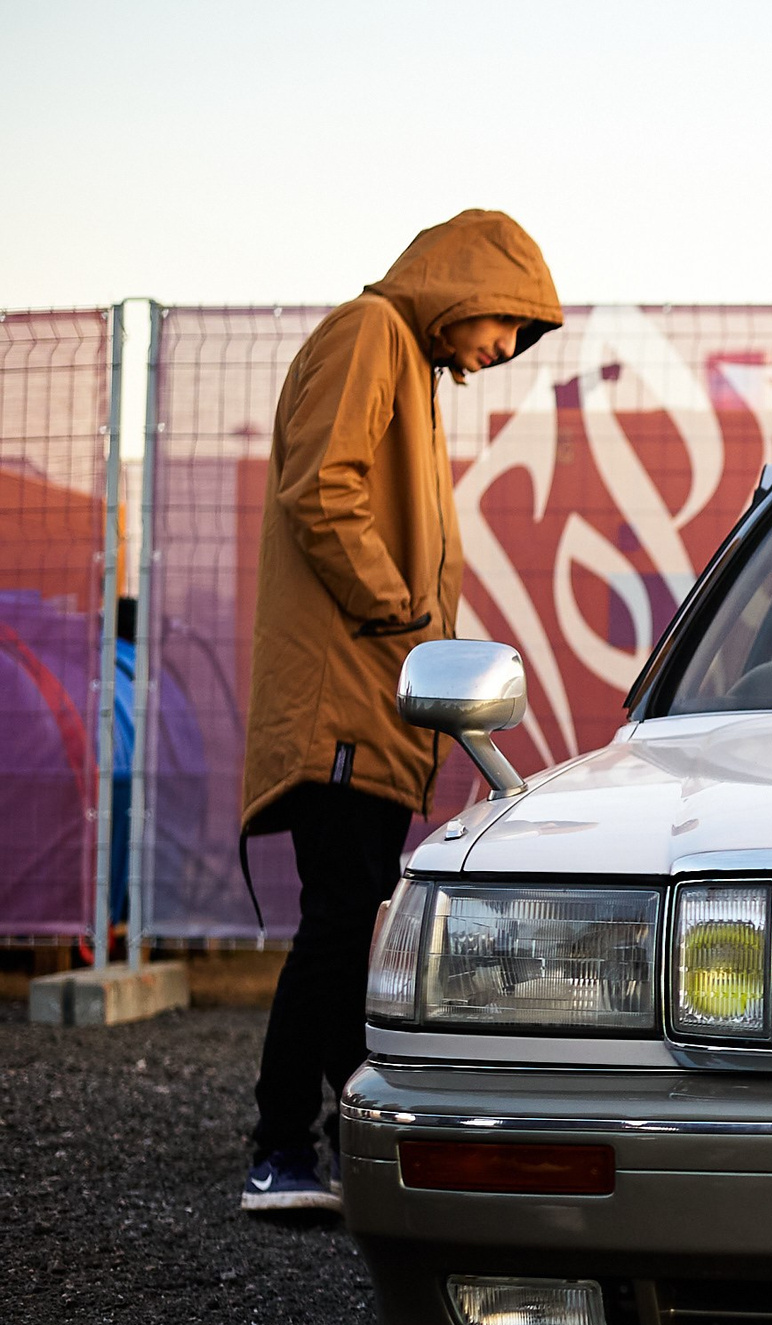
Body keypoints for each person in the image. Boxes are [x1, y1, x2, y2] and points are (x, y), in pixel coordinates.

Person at [238, 211, 561, 1211]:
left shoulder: (402, 359)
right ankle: (280, 1147)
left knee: (358, 914)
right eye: (507, 324)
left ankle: (345, 1132)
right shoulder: (370, 329)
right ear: (467, 286)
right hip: (344, 696)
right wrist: (403, 616)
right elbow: (322, 487)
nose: (504, 351)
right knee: (341, 922)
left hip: (365, 697)